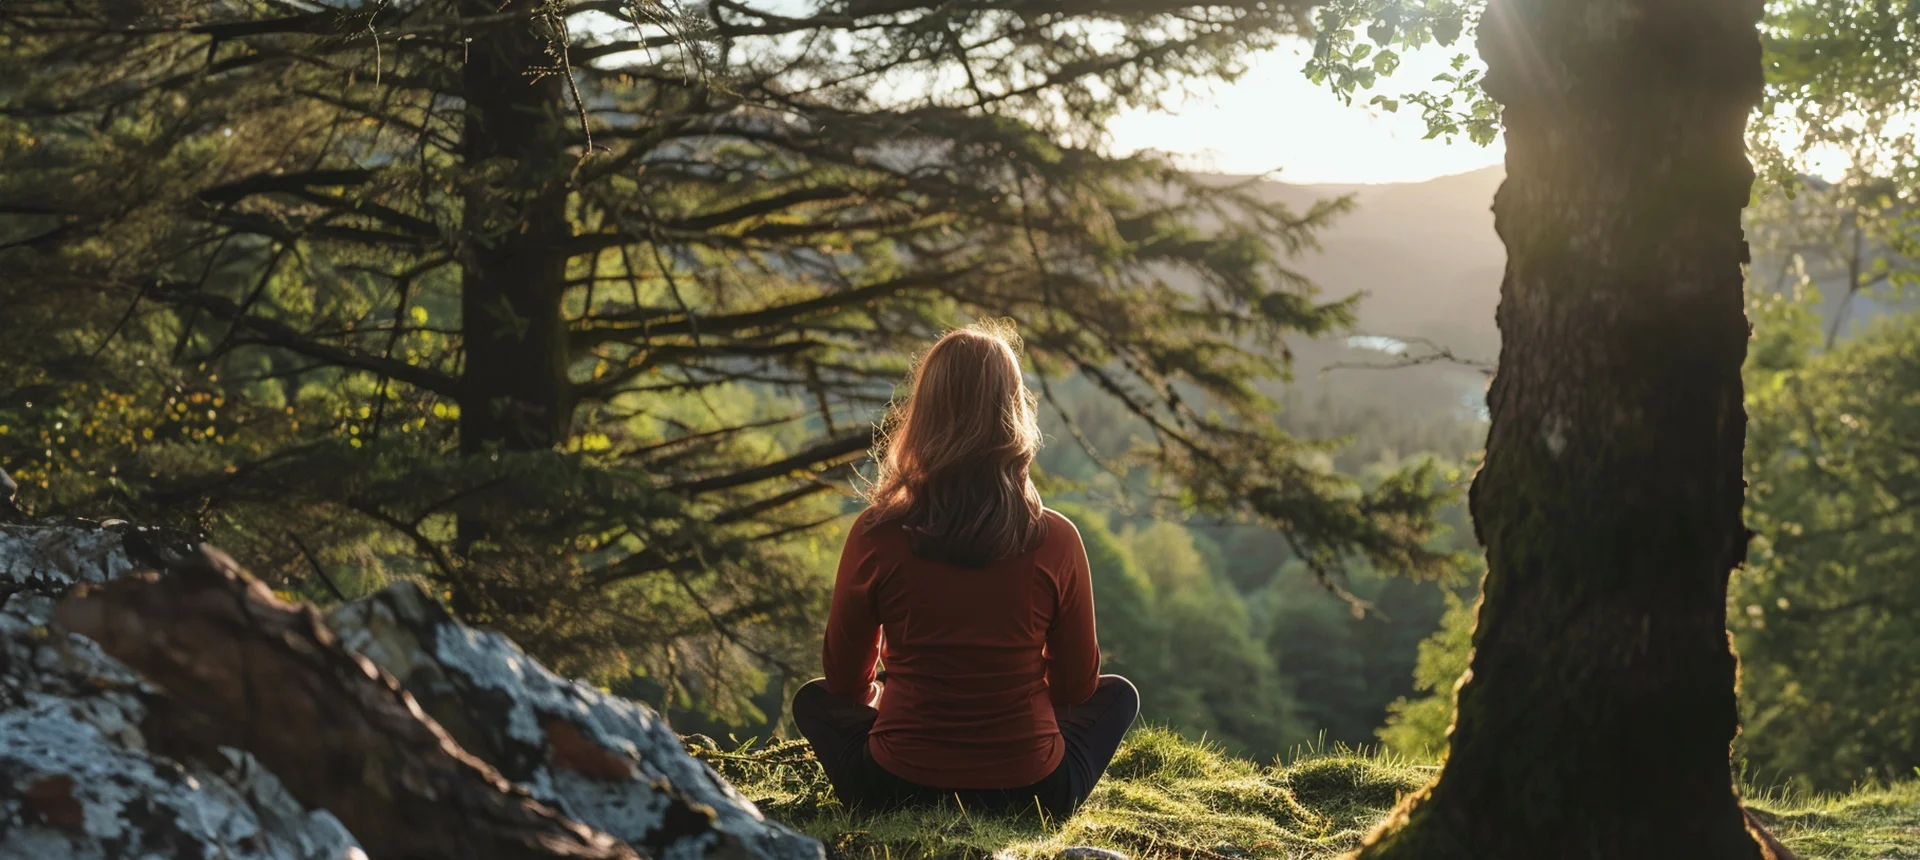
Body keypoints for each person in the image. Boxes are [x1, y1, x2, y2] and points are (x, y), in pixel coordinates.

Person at [790, 321, 1139, 822]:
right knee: (1117, 696)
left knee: (813, 701)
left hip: (890, 786)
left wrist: (892, 704)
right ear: (1015, 415)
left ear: (924, 413)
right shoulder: (1057, 539)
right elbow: (1075, 690)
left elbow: (844, 683)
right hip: (1034, 793)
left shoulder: (876, 533)